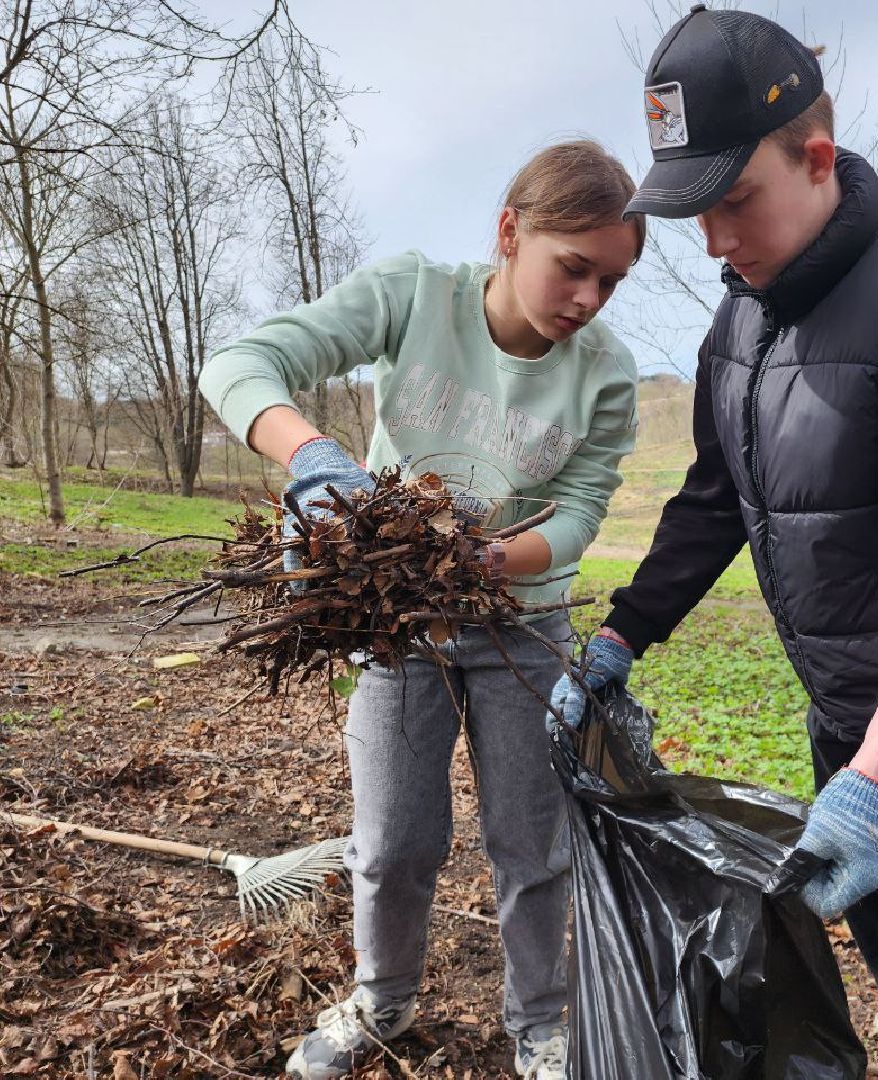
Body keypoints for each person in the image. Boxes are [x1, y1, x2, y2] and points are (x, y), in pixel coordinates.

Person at [551, 9, 878, 1078]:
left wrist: (875, 774)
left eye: (735, 202)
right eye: (696, 211)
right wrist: (621, 639)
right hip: (841, 711)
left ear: (815, 157)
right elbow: (715, 498)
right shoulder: (742, 318)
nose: (716, 242)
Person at [199, 139, 646, 1080]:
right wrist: (314, 459)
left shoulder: (605, 373)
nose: (588, 299)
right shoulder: (415, 295)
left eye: (611, 280)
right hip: (399, 628)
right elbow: (242, 363)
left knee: (532, 844)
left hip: (523, 629)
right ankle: (383, 1000)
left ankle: (541, 1025)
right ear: (510, 231)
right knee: (395, 838)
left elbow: (579, 513)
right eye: (574, 267)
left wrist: (486, 560)